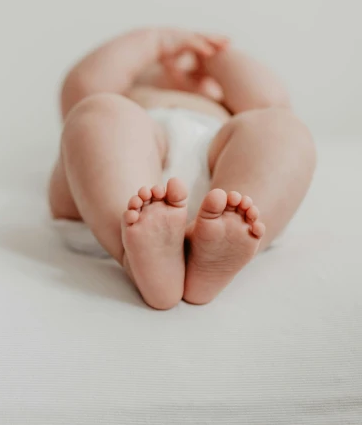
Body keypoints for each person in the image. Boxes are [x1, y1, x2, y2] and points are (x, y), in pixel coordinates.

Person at [48, 27, 316, 309]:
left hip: (221, 178)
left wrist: (218, 57)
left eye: (200, 74)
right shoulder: (127, 100)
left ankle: (219, 246)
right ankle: (134, 252)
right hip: (114, 189)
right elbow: (84, 82)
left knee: (281, 127)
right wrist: (153, 41)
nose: (181, 67)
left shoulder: (226, 115)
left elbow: (271, 101)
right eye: (161, 66)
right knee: (97, 114)